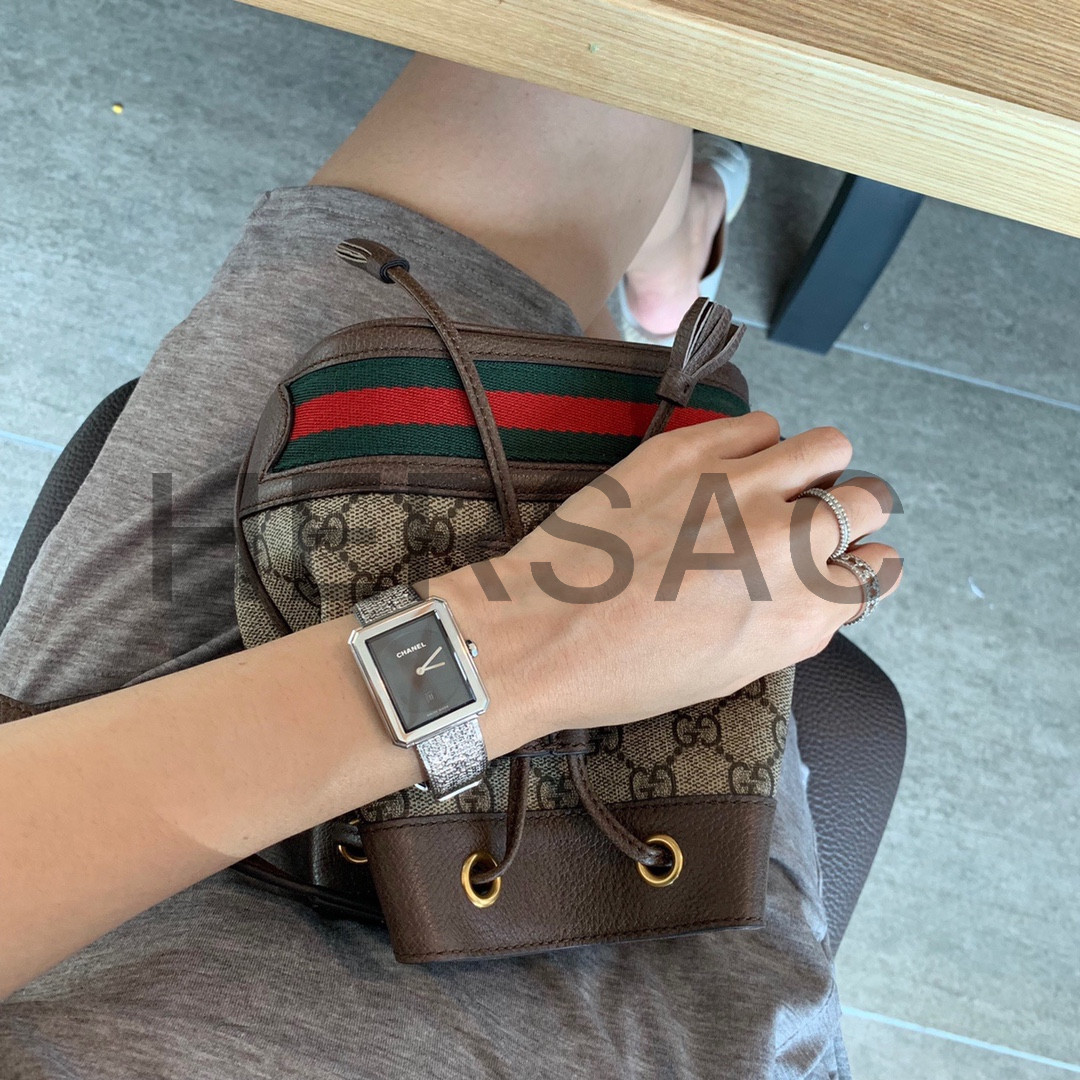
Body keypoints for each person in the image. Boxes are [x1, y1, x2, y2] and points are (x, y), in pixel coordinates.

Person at [0, 54, 900, 1078]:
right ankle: (667, 257)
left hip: (104, 816)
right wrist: (540, 632)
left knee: (580, 62)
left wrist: (539, 627)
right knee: (605, 420)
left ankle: (668, 241)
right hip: (662, 1004)